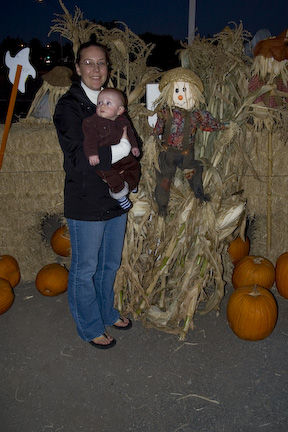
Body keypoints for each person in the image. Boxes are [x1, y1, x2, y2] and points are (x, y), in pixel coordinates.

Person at [53, 41, 133, 349]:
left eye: (101, 63)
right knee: (85, 269)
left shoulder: (112, 100)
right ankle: (89, 326)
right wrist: (119, 150)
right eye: (88, 63)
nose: (96, 69)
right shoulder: (69, 106)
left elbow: (129, 139)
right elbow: (76, 158)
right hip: (86, 199)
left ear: (108, 68)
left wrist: (130, 165)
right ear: (77, 68)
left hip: (115, 197)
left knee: (109, 265)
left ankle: (106, 311)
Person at [153, 67, 226, 216]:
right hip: (167, 154)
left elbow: (210, 124)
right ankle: (162, 208)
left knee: (193, 171)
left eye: (185, 90)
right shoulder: (165, 112)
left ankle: (199, 196)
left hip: (186, 155)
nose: (180, 95)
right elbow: (158, 128)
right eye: (177, 90)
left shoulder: (197, 115)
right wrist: (152, 137)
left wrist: (223, 126)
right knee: (164, 180)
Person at [82, 87, 141, 210]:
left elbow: (130, 134)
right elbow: (89, 140)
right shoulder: (92, 122)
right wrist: (92, 154)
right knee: (112, 178)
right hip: (106, 161)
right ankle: (120, 196)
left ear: (120, 110)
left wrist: (134, 146)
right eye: (99, 103)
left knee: (134, 167)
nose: (102, 106)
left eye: (108, 103)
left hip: (124, 158)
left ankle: (132, 185)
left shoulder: (123, 120)